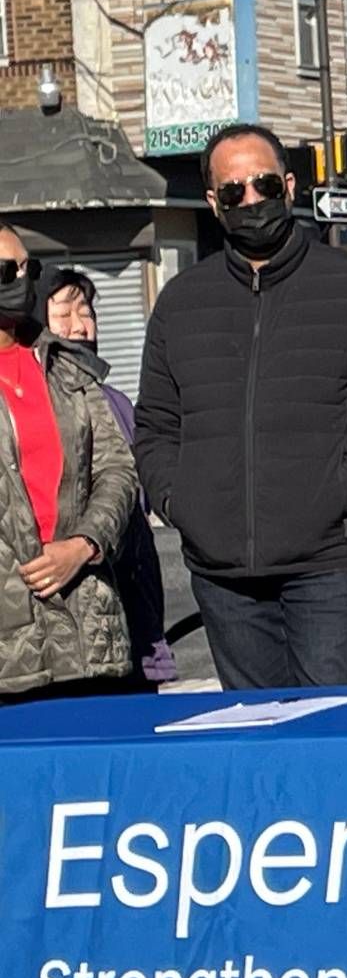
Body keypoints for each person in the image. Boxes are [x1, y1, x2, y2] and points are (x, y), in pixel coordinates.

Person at [135, 123, 347, 690]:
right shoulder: (180, 302)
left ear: (289, 187)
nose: (252, 201)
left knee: (330, 728)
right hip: (223, 574)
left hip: (330, 565)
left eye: (265, 185)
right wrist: (179, 500)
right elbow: (155, 425)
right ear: (213, 203)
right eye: (233, 191)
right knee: (258, 733)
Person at [0, 227, 138, 701]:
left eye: (30, 268)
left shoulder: (65, 365)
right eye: (7, 271)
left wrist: (83, 545)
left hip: (87, 618)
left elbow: (117, 469)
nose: (22, 280)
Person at [44, 268, 174, 688]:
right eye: (64, 314)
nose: (80, 327)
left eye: (86, 312)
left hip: (133, 608)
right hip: (68, 620)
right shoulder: (31, 406)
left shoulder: (115, 402)